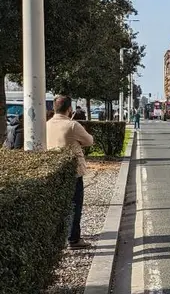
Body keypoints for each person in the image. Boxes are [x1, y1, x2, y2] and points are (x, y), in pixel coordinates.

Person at [47, 95, 94, 250]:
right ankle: (73, 238)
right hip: (73, 170)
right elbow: (89, 141)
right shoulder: (72, 125)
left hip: (52, 169)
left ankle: (58, 236)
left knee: (57, 204)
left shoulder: (46, 125)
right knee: (75, 204)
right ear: (69, 109)